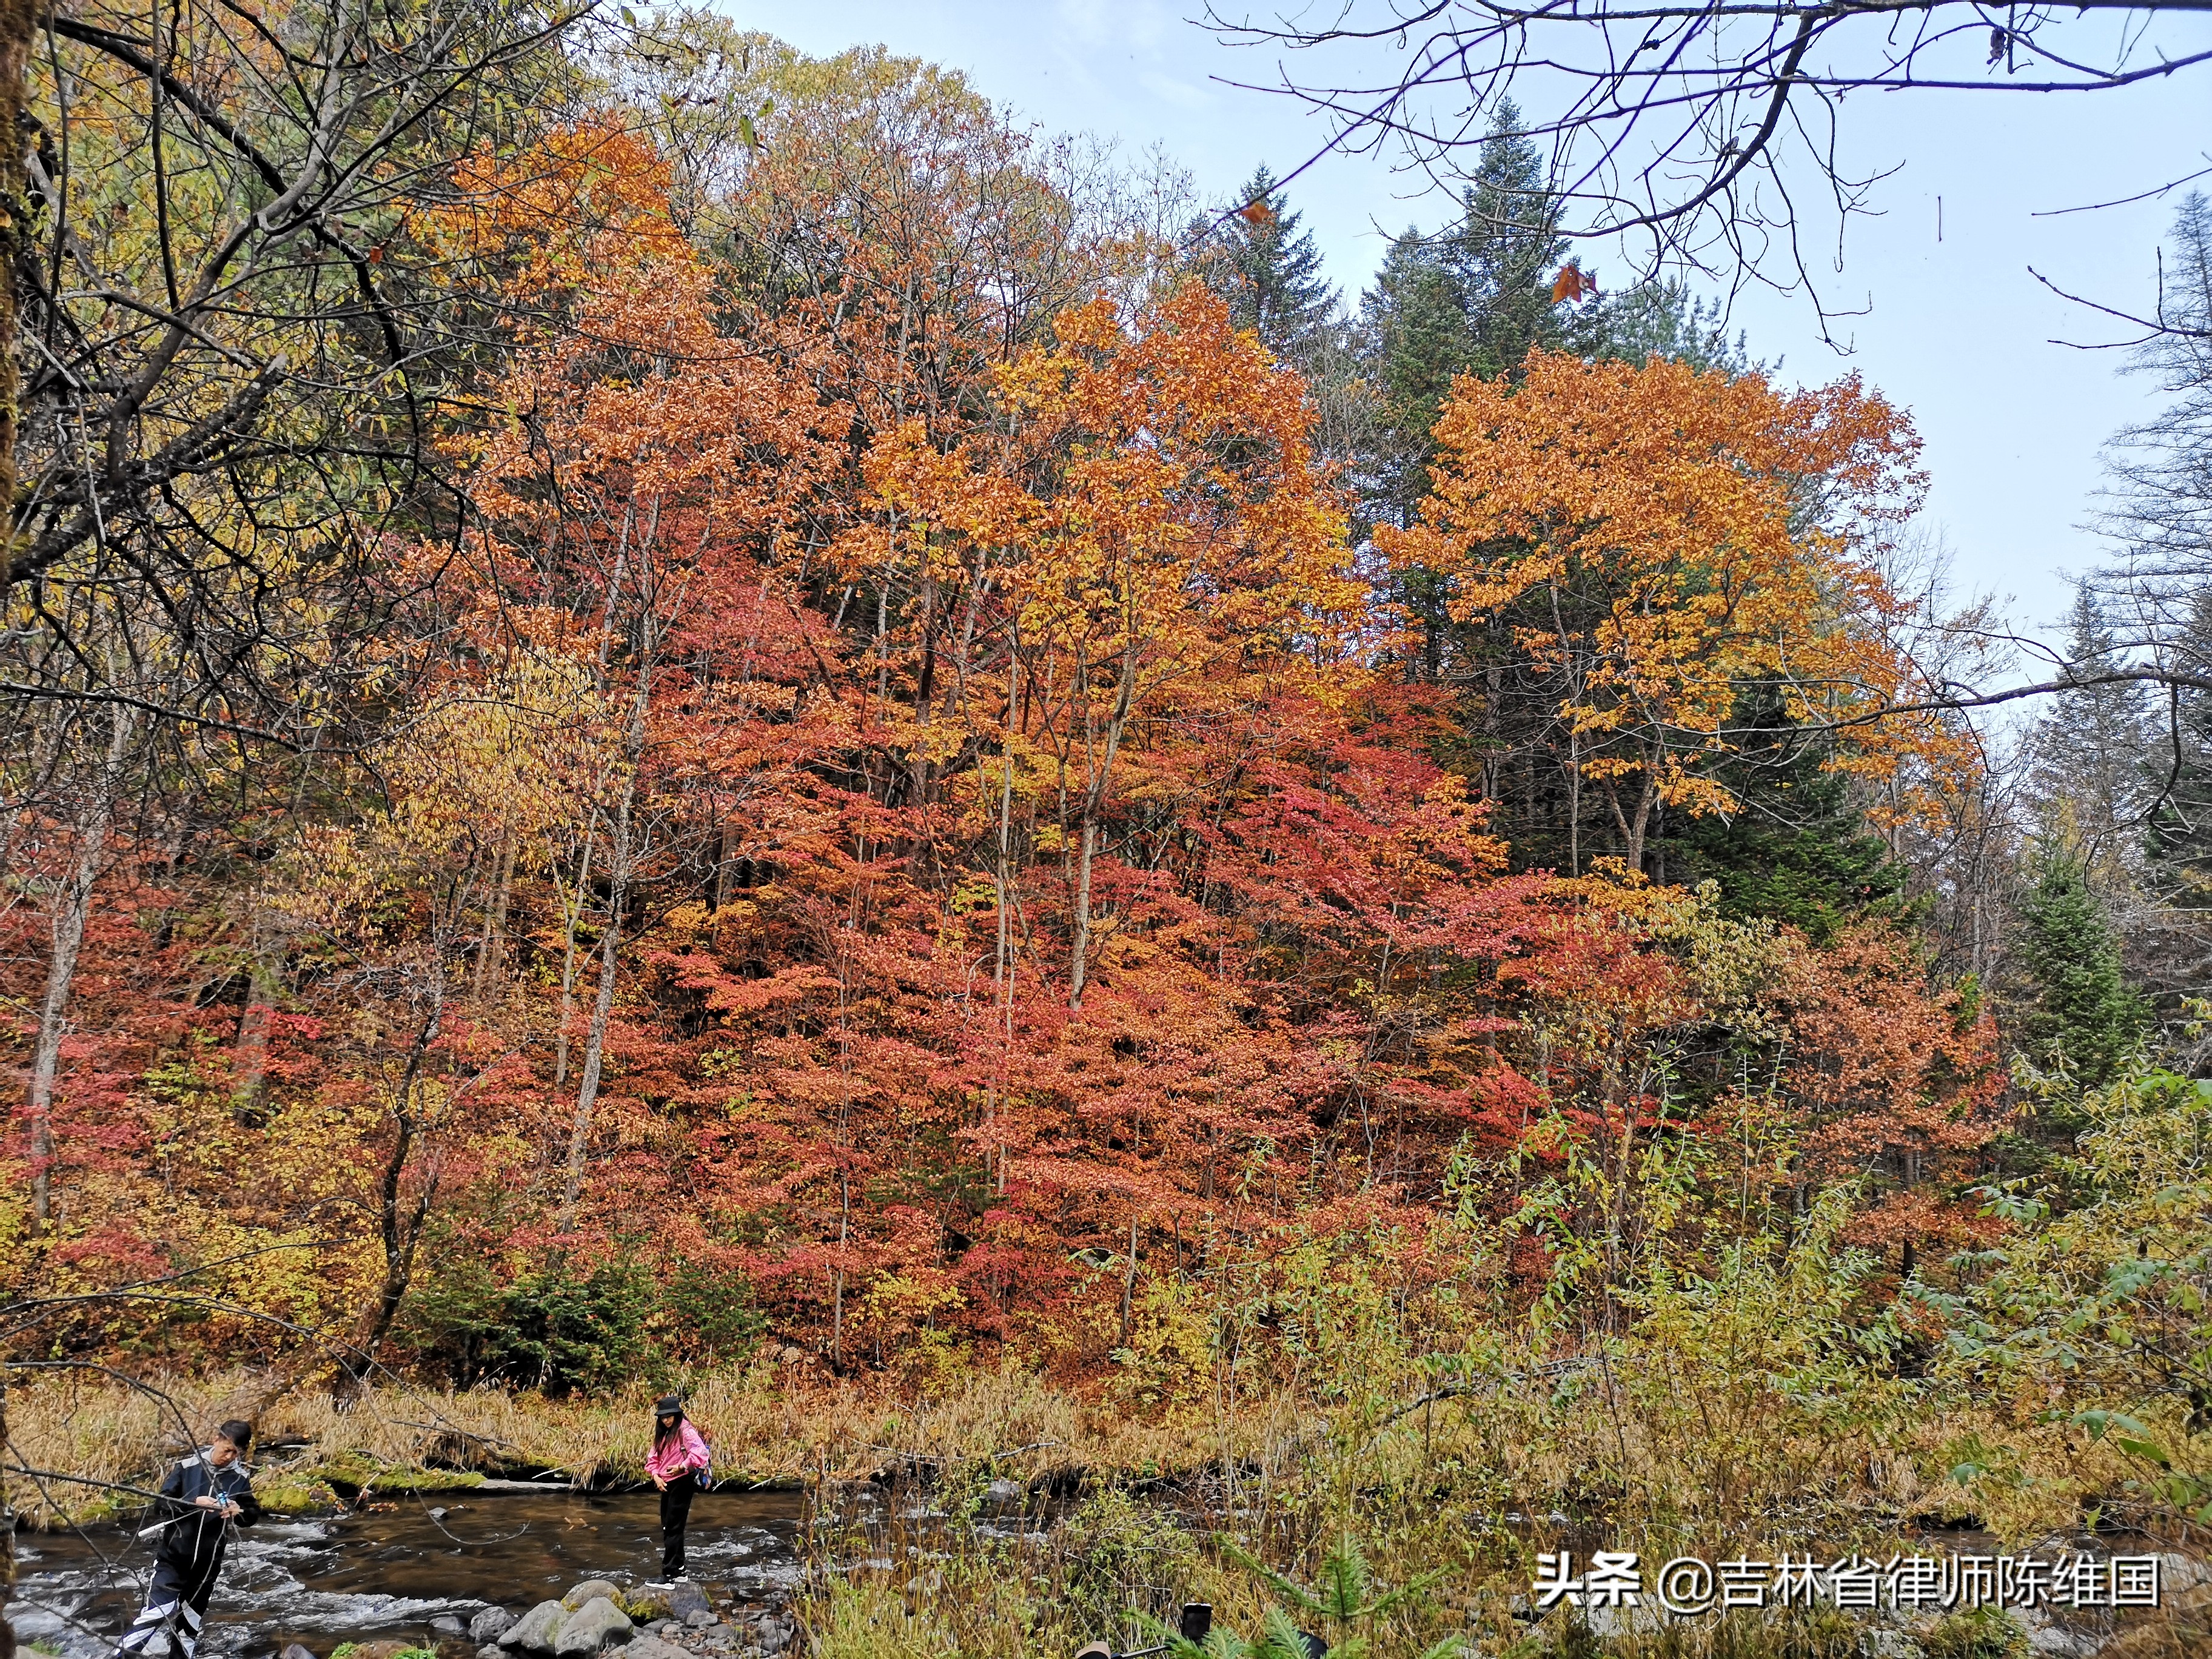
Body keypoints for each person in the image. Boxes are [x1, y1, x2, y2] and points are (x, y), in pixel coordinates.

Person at [115, 1419, 261, 1659]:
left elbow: (252, 1515)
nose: (230, 1457)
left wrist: (239, 1510)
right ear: (217, 1440)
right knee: (158, 1612)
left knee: (190, 1624)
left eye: (237, 1453)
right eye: (227, 1450)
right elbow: (161, 1504)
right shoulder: (187, 1466)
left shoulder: (239, 1477)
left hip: (207, 1566)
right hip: (173, 1558)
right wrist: (192, 1503)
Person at [645, 1395, 710, 1581]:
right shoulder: (663, 1433)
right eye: (662, 1417)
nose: (666, 1420)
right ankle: (680, 1570)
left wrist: (682, 1466)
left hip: (682, 1483)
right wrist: (656, 1476)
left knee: (673, 1528)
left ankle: (669, 1575)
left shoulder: (685, 1430)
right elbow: (653, 1458)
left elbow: (701, 1453)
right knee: (669, 1528)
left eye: (669, 1416)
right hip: (666, 1484)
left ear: (677, 1415)